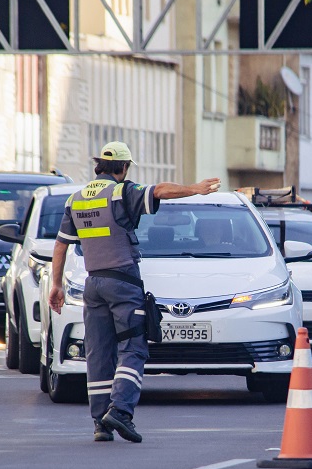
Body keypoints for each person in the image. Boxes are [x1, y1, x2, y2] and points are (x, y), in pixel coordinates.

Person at [49, 141, 221, 443]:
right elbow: (159, 191)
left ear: (98, 165)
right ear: (123, 168)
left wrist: (56, 285)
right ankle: (121, 411)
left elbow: (61, 244)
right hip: (123, 283)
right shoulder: (120, 192)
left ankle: (101, 424)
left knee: (99, 355)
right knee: (134, 348)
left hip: (94, 285)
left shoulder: (76, 199)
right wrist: (195, 188)